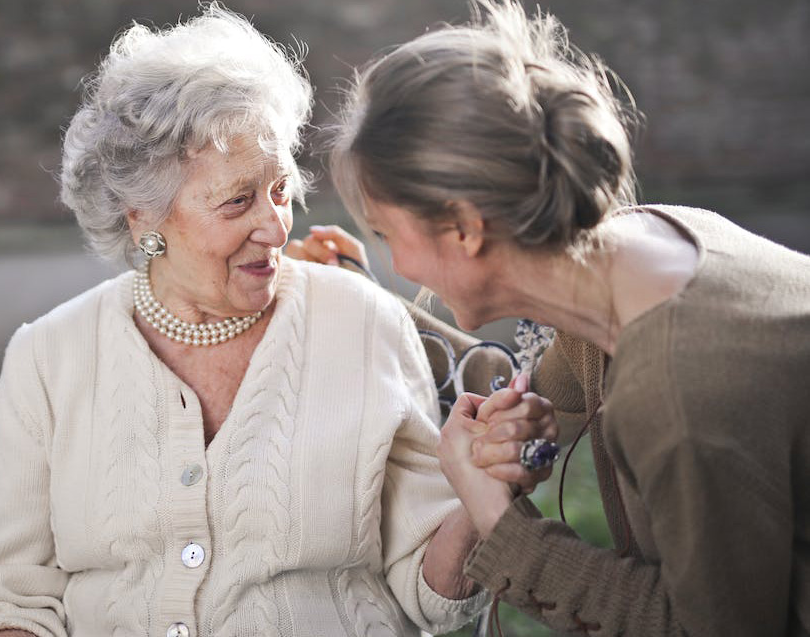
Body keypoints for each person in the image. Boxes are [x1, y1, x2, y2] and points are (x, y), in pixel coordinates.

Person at [0, 7, 566, 636]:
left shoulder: (360, 321)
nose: (274, 226)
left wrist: (481, 491)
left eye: (281, 190)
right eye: (237, 200)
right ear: (142, 216)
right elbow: (5, 595)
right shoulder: (49, 356)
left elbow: (433, 595)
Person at [308, 1, 810, 634]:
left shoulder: (678, 390)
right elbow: (527, 391)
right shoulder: (640, 250)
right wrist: (356, 298)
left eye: (385, 234)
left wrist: (502, 526)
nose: (398, 264)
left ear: (464, 227)